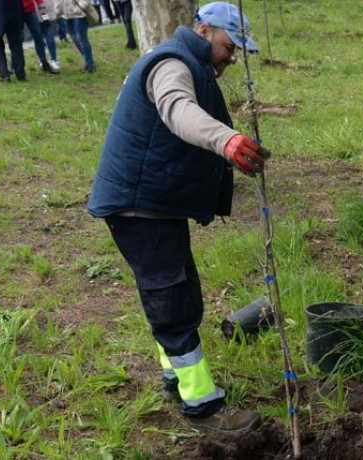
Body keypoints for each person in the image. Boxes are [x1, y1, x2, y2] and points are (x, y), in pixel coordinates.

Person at [86, 2, 270, 432]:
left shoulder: (188, 60)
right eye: (229, 45)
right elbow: (178, 110)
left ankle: (177, 379)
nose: (232, 56)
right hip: (138, 205)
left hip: (154, 202)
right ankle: (203, 407)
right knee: (171, 301)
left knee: (180, 290)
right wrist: (227, 141)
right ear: (204, 31)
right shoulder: (171, 64)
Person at [56, 0, 95, 72]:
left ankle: (90, 65)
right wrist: (57, 13)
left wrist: (80, 7)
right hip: (67, 17)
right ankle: (89, 61)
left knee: (82, 39)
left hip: (79, 15)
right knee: (75, 40)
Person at [21, 0, 57, 73]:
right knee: (17, 40)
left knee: (38, 37)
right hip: (17, 11)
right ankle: (15, 67)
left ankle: (44, 63)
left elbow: (40, 2)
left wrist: (45, 17)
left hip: (30, 10)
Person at [38, 0, 60, 71]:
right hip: (46, 12)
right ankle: (53, 60)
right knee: (48, 37)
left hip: (39, 14)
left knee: (40, 39)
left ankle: (44, 60)